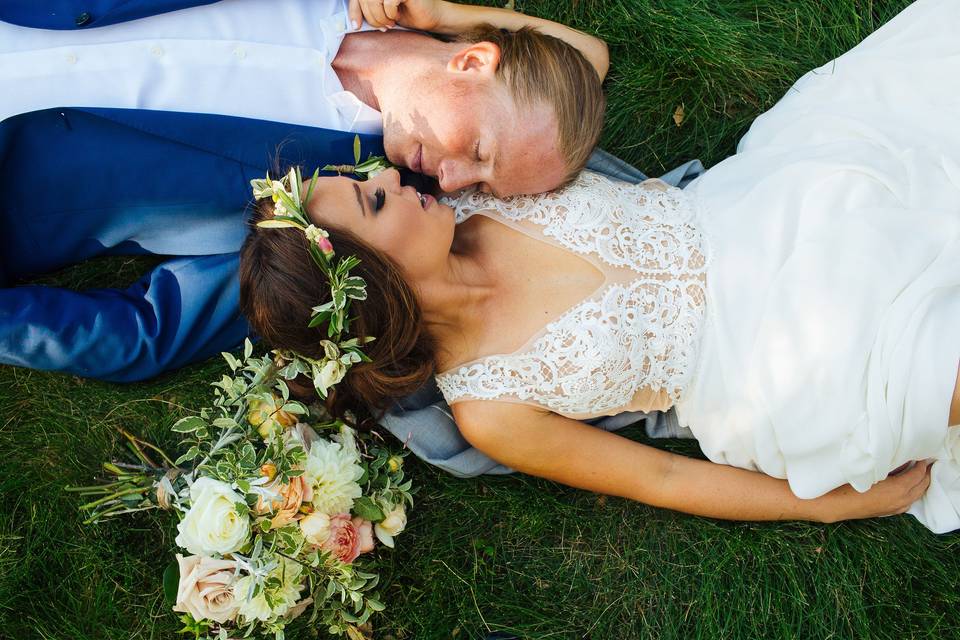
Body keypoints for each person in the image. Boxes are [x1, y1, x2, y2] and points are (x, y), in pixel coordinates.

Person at [240, 0, 960, 533]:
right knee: (923, 362)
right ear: (372, 284)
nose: (390, 177)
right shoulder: (489, 411)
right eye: (371, 201)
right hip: (764, 372)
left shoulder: (481, 186)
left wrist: (448, 17)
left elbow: (581, 59)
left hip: (760, 214)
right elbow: (662, 476)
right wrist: (839, 506)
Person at [0, 0, 606, 381]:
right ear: (472, 62)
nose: (451, 183)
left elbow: (146, 332)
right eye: (477, 153)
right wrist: (443, 14)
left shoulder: (343, 218)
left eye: (481, 185)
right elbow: (591, 56)